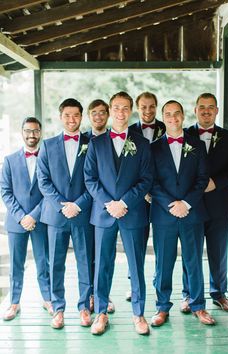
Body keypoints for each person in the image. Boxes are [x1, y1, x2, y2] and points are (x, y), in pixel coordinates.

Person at [84, 91, 153, 335]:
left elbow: (146, 179)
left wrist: (124, 202)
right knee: (102, 264)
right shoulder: (95, 143)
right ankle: (101, 313)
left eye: (125, 108)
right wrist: (108, 203)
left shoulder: (142, 144)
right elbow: (90, 179)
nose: (121, 112)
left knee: (136, 266)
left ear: (131, 110)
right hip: (103, 214)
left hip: (132, 212)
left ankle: (139, 314)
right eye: (116, 108)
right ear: (110, 110)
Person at [150, 100, 215, 327]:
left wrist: (185, 203)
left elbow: (202, 179)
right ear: (163, 117)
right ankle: (162, 307)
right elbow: (152, 182)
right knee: (163, 263)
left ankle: (198, 306)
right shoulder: (154, 147)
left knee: (194, 261)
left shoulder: (197, 145)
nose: (173, 118)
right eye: (168, 114)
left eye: (177, 113)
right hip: (163, 215)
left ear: (183, 115)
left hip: (192, 214)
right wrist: (172, 204)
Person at [37, 98, 94, 329]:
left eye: (76, 115)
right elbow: (43, 181)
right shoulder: (48, 145)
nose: (72, 120)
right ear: (61, 117)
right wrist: (63, 205)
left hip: (82, 214)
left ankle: (84, 307)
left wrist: (78, 204)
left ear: (81, 117)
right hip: (56, 216)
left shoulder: (93, 144)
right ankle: (58, 309)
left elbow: (96, 181)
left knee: (85, 263)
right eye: (67, 115)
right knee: (56, 264)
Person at [181, 93, 228, 313]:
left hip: (219, 202)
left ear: (217, 111)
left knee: (218, 251)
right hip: (191, 205)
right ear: (195, 110)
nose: (206, 111)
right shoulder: (184, 136)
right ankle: (188, 294)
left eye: (210, 107)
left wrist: (217, 182)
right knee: (190, 252)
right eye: (202, 107)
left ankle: (219, 294)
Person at [0, 117, 52, 321]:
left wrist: (34, 216)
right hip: (16, 222)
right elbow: (5, 192)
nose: (32, 135)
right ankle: (14, 302)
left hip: (41, 220)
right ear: (22, 132)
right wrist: (22, 217)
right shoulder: (10, 160)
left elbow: (49, 191)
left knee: (43, 262)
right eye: (28, 131)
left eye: (36, 131)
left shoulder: (47, 159)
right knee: (16, 264)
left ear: (40, 132)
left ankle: (48, 299)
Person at [125, 92, 166, 301]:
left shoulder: (166, 127)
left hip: (162, 196)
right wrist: (143, 191)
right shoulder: (128, 132)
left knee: (161, 242)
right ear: (137, 109)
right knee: (137, 241)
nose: (148, 111)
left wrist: (155, 191)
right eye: (143, 107)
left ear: (156, 107)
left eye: (151, 106)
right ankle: (134, 283)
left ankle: (159, 281)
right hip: (137, 197)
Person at [85, 99, 115, 314]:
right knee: (88, 254)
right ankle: (90, 295)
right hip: (84, 206)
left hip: (107, 207)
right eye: (94, 112)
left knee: (106, 254)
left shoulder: (113, 139)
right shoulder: (82, 140)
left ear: (108, 115)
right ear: (89, 115)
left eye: (102, 112)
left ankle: (104, 295)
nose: (98, 116)